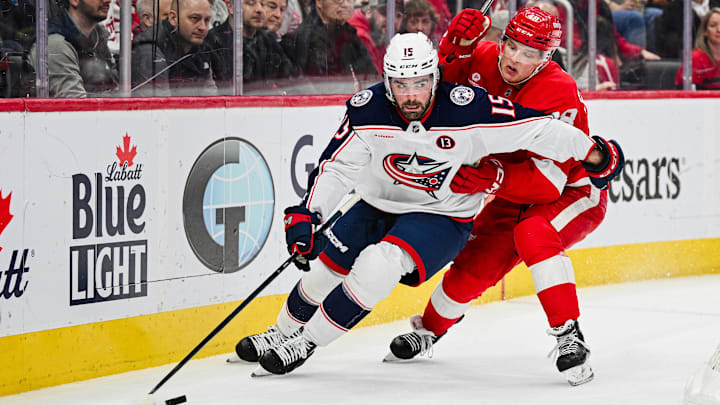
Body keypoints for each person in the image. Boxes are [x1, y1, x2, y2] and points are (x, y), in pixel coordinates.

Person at [231, 32, 624, 376]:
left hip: (442, 214)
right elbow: (336, 167)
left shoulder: (471, 107)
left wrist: (593, 153)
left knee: (378, 265)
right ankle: (280, 332)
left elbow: (540, 130)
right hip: (379, 203)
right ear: (387, 82)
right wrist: (308, 213)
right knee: (324, 273)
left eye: (420, 83)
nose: (411, 95)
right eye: (401, 85)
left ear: (436, 77)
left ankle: (307, 343)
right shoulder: (366, 109)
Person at [387, 7, 612, 386]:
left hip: (571, 190)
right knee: (472, 268)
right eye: (512, 46)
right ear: (502, 40)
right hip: (509, 187)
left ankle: (569, 336)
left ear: (547, 58)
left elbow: (548, 184)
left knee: (534, 233)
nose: (515, 59)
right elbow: (435, 91)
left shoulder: (559, 90)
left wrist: (491, 176)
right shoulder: (483, 56)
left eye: (530, 53)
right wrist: (454, 45)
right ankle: (429, 329)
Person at [29, 0, 119, 97]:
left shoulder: (98, 38)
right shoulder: (55, 45)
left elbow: (116, 90)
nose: (108, 0)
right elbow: (75, 106)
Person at [206, 0, 297, 90]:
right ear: (231, 7)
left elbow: (293, 80)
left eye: (262, 4)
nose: (259, 9)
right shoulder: (211, 42)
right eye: (251, 3)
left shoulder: (268, 40)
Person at [131, 0, 216, 96]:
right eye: (195, 18)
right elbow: (159, 106)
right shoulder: (150, 51)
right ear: (173, 18)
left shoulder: (200, 45)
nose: (203, 27)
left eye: (207, 20)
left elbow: (211, 97)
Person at [280, 0, 377, 76]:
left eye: (350, 0)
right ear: (319, 2)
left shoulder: (350, 36)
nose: (346, 5)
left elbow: (370, 74)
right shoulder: (300, 41)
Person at [675, 8, 720, 90]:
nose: (719, 30)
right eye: (713, 26)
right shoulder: (695, 58)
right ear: (705, 31)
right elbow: (685, 93)